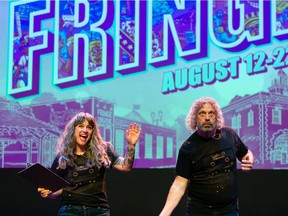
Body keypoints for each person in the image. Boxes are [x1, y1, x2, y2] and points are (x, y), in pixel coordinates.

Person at [159, 97, 254, 216]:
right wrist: (165, 213)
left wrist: (249, 159)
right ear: (194, 118)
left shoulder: (230, 135)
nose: (207, 117)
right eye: (202, 113)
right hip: (199, 212)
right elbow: (179, 184)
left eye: (211, 113)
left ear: (217, 117)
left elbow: (246, 153)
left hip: (229, 210)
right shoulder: (188, 147)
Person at [38, 112, 141, 216]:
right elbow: (57, 190)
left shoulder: (103, 151)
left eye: (89, 127)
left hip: (99, 210)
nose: (85, 130)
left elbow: (126, 167)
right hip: (70, 209)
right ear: (73, 129)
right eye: (81, 126)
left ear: (93, 131)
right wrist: (50, 193)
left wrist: (131, 145)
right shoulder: (62, 157)